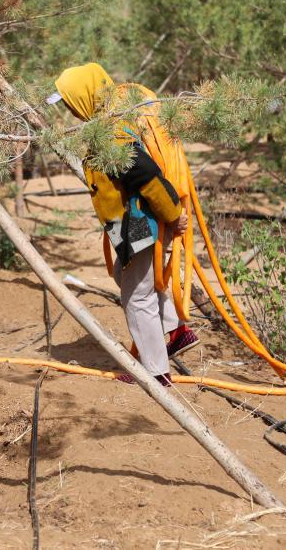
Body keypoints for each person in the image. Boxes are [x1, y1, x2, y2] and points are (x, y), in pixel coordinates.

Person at [48, 63, 199, 386]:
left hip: (140, 220)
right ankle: (174, 331)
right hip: (127, 223)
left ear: (84, 96)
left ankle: (154, 371)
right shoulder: (107, 125)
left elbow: (148, 178)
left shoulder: (113, 134)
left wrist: (174, 215)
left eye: (69, 102)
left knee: (137, 295)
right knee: (127, 276)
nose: (70, 111)